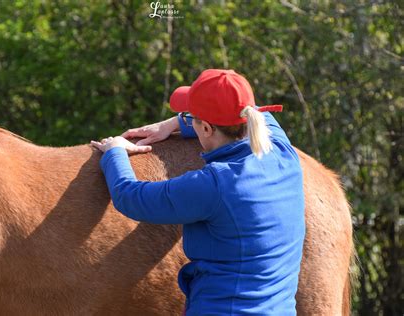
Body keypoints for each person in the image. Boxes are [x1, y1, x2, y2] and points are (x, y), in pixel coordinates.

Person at [90, 69, 305, 315]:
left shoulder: (215, 184)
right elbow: (260, 115)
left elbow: (131, 197)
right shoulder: (281, 150)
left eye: (192, 117)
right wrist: (173, 124)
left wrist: (114, 151)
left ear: (206, 129)